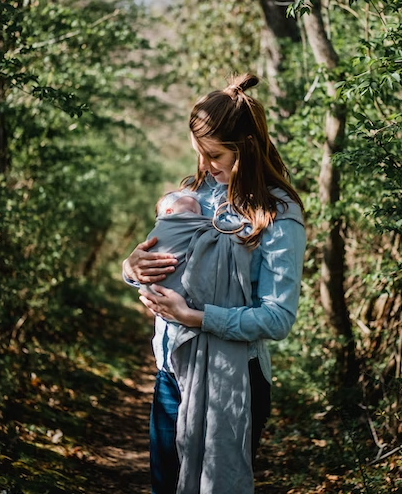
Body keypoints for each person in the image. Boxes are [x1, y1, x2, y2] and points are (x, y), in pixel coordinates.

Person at [122, 73, 306, 494]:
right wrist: (132, 269)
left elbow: (277, 317)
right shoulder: (191, 195)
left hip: (235, 380)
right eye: (199, 153)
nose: (204, 166)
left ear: (248, 149)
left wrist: (198, 317)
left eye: (215, 155)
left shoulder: (278, 215)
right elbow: (154, 263)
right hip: (172, 371)